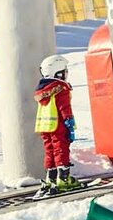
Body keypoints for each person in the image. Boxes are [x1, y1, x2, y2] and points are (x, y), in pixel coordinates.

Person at [33, 54, 79, 193]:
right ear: (58, 72)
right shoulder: (60, 88)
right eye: (65, 71)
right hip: (58, 125)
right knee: (61, 149)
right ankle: (63, 179)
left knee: (50, 151)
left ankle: (51, 178)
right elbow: (64, 107)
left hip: (44, 127)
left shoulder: (43, 89)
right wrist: (69, 122)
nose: (66, 74)